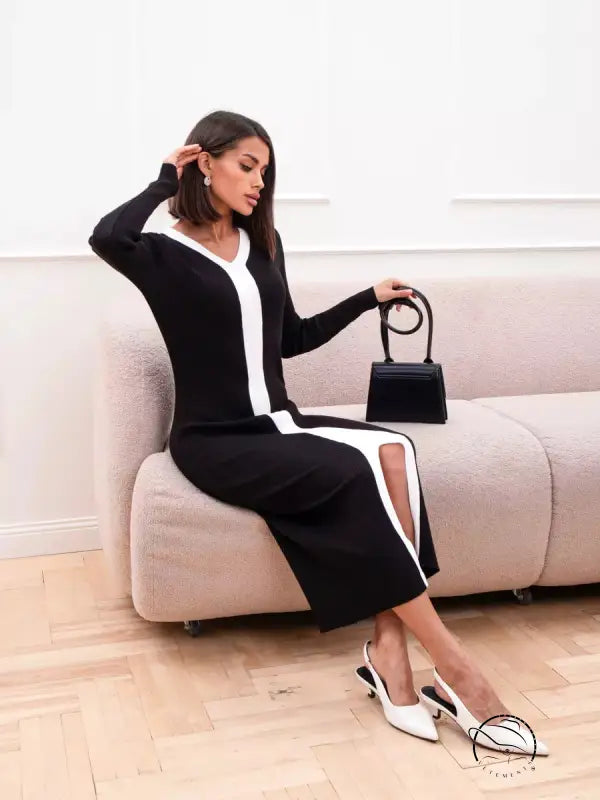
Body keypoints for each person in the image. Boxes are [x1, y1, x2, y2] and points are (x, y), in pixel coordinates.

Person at [88, 110, 548, 756]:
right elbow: (106, 236)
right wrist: (165, 180)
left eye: (265, 171)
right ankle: (457, 667)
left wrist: (367, 299)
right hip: (213, 439)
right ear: (206, 163)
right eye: (247, 166)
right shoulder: (161, 253)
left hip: (279, 420)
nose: (259, 182)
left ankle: (389, 652)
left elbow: (293, 337)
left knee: (393, 450)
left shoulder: (264, 243)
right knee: (355, 470)